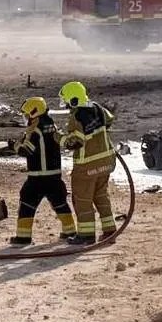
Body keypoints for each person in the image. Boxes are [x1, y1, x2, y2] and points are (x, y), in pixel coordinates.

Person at [8, 96, 77, 246]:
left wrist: (15, 146)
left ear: (34, 112)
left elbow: (26, 151)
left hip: (38, 177)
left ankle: (23, 237)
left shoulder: (36, 130)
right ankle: (70, 231)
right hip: (55, 176)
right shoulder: (51, 125)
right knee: (60, 203)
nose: (26, 118)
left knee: (27, 203)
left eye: (27, 114)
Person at [59, 81, 118, 245]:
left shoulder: (77, 117)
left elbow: (74, 143)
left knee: (82, 200)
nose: (65, 104)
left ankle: (86, 235)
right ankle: (110, 231)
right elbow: (109, 120)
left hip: (87, 167)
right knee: (101, 197)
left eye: (66, 100)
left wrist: (58, 137)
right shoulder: (98, 108)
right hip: (106, 162)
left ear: (73, 100)